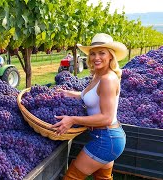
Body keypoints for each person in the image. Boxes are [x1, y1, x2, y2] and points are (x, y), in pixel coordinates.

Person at [52, 33, 128, 180]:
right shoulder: (98, 76)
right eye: (93, 53)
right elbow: (91, 96)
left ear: (111, 56)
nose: (96, 57)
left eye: (102, 53)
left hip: (107, 139)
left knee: (71, 177)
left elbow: (106, 118)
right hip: (107, 137)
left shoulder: (107, 79)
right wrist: (70, 93)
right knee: (102, 178)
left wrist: (73, 119)